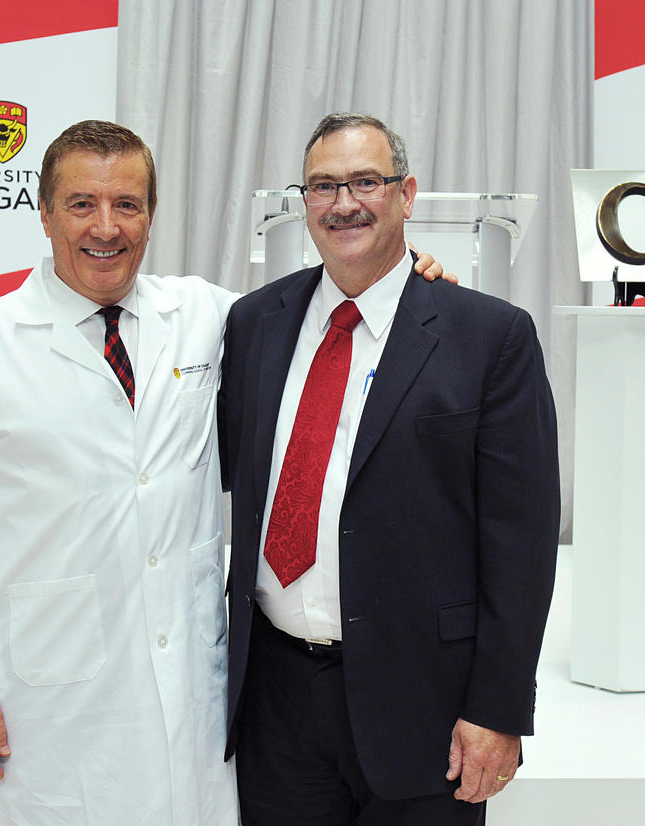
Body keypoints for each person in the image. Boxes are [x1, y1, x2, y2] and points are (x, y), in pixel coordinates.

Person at [0, 119, 445, 825]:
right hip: (47, 697)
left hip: (188, 680)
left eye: (127, 204)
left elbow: (322, 316)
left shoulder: (204, 316)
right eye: (81, 204)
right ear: (42, 213)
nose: (107, 227)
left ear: (151, 216)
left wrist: (410, 286)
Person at [220, 113, 560, 825]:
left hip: (425, 710)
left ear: (406, 195)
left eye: (365, 182)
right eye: (323, 186)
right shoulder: (254, 324)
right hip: (276, 704)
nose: (344, 203)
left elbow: (520, 545)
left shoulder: (489, 338)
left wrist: (498, 712)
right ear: (302, 201)